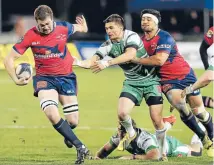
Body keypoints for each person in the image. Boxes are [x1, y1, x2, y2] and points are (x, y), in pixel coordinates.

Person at [75, 14, 168, 160]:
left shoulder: (131, 36)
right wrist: (79, 63)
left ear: (121, 27)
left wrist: (107, 63)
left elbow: (130, 55)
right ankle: (131, 134)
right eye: (106, 28)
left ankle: (162, 152)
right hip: (132, 83)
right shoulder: (107, 45)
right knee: (122, 113)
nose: (109, 31)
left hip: (151, 81)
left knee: (157, 120)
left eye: (111, 28)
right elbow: (91, 61)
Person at [4, 5, 89, 164]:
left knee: (73, 122)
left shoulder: (63, 27)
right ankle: (80, 146)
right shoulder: (30, 35)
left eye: (48, 24)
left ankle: (68, 134)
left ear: (52, 20)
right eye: (41, 25)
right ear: (36, 22)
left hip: (66, 78)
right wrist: (16, 79)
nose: (45, 27)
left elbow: (81, 28)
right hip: (45, 79)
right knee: (51, 113)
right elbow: (8, 59)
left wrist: (84, 26)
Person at [130, 9, 213, 157]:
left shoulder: (164, 37)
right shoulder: (140, 42)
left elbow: (159, 60)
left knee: (199, 111)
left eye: (148, 18)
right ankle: (203, 137)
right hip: (168, 81)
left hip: (186, 75)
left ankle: (211, 135)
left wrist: (135, 59)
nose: (145, 21)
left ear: (156, 22)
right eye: (143, 19)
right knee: (179, 103)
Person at [94, 116, 202, 160]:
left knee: (198, 152)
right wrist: (97, 158)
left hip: (171, 147)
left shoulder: (143, 138)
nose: (120, 133)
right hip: (157, 140)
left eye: (123, 130)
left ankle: (201, 132)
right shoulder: (119, 137)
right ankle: (167, 125)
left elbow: (155, 155)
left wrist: (131, 157)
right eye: (120, 129)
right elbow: (102, 153)